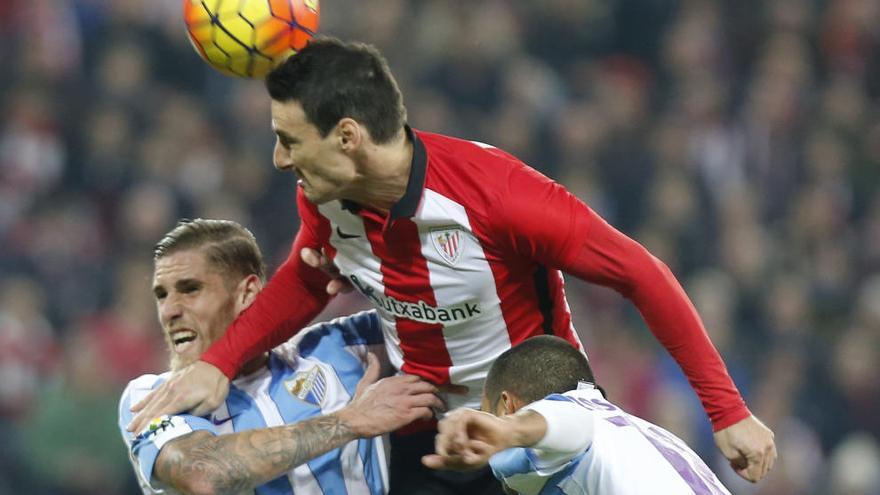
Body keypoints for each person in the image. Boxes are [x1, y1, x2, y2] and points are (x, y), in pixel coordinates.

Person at [128, 38, 776, 492]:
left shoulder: (496, 195)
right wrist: (219, 361)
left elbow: (639, 272)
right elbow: (309, 274)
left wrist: (727, 411)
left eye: (290, 140)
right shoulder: (327, 200)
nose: (278, 159)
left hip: (528, 434)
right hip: (427, 447)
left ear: (348, 138)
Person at [118, 218, 444, 494]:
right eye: (161, 294)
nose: (170, 310)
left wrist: (363, 269)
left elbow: (441, 316)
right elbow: (204, 472)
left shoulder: (341, 347)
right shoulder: (152, 398)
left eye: (190, 289)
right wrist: (350, 421)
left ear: (247, 292)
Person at [423, 335, 740, 494]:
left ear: (508, 406)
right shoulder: (649, 438)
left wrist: (507, 432)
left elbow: (572, 424)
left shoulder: (566, 424)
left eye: (487, 413)